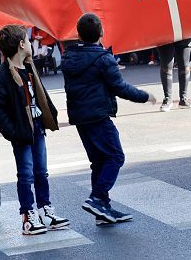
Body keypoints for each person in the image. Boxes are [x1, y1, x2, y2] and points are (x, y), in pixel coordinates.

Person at [62, 14, 155, 224]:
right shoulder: (103, 59)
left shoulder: (70, 57)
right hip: (98, 115)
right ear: (101, 32)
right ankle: (97, 199)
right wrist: (145, 96)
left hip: (80, 117)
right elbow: (120, 88)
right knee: (115, 156)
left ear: (78, 34)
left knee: (98, 161)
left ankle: (102, 209)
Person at [0, 25, 68, 236]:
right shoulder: (2, 76)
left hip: (38, 127)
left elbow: (40, 96)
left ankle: (45, 210)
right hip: (22, 132)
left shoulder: (29, 67)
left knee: (41, 171)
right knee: (26, 174)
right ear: (21, 45)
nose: (31, 44)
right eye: (28, 40)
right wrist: (13, 132)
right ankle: (28, 215)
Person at [156, 39, 191, 112]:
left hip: (184, 32)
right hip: (165, 32)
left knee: (184, 64)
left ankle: (183, 99)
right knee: (166, 65)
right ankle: (167, 99)